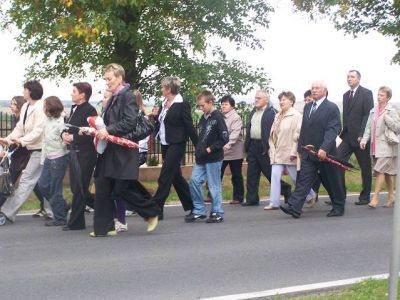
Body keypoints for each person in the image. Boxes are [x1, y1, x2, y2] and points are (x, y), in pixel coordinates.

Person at [92, 63, 160, 237]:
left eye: (110, 78)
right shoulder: (114, 97)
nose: (107, 82)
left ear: (120, 77)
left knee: (122, 189)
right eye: (105, 79)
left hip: (123, 152)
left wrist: (108, 130)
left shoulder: (127, 97)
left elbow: (129, 122)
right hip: (110, 150)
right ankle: (104, 228)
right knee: (102, 185)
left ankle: (151, 211)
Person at [280, 80, 346, 218]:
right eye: (312, 88)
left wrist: (324, 148)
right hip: (309, 152)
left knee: (331, 181)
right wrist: (300, 147)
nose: (314, 90)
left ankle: (339, 206)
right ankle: (294, 207)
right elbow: (305, 128)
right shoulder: (308, 106)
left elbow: (333, 129)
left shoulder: (331, 108)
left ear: (324, 91)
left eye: (317, 88)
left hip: (324, 153)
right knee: (303, 179)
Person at [0, 80, 46, 226]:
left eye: (25, 89)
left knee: (26, 181)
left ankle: (6, 212)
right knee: (44, 183)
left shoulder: (40, 108)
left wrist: (22, 141)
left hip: (41, 149)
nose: (23, 92)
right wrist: (8, 140)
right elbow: (20, 128)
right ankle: (57, 211)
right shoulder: (26, 106)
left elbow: (38, 131)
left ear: (31, 91)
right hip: (32, 149)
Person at [151, 76, 198, 219]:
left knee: (165, 176)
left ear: (169, 89)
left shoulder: (182, 104)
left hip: (177, 144)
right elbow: (162, 123)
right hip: (166, 143)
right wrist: (154, 116)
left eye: (162, 87)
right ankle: (194, 206)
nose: (161, 89)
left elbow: (189, 126)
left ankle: (155, 209)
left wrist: (199, 146)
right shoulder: (164, 102)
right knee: (176, 177)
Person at [242, 90, 291, 207]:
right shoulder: (253, 112)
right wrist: (247, 146)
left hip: (265, 146)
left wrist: (272, 147)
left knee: (269, 173)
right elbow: (249, 129)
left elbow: (277, 131)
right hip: (253, 145)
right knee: (251, 174)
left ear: (266, 100)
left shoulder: (272, 112)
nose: (256, 100)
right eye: (255, 98)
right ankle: (252, 199)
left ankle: (286, 189)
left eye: (259, 98)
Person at [185, 90, 228, 223]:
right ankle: (199, 210)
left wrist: (210, 149)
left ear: (210, 102)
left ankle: (217, 212)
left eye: (203, 105)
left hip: (213, 158)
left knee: (213, 186)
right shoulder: (204, 118)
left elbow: (225, 138)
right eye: (199, 106)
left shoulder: (218, 117)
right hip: (201, 158)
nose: (201, 108)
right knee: (194, 181)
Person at [266, 91, 314, 210]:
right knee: (275, 176)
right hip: (278, 152)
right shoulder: (277, 115)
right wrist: (271, 149)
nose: (281, 102)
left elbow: (297, 135)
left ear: (291, 102)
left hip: (290, 152)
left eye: (284, 100)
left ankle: (310, 195)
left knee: (295, 177)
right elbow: (272, 134)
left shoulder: (296, 116)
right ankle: (274, 202)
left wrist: (294, 152)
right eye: (280, 100)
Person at [62, 82, 97, 231]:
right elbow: (69, 128)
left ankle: (76, 222)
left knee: (80, 188)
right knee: (77, 188)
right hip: (74, 153)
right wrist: (63, 135)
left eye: (74, 91)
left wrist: (73, 138)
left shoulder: (90, 110)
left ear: (82, 95)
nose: (71, 93)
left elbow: (91, 134)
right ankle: (105, 207)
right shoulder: (74, 109)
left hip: (86, 155)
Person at [360, 86, 400, 208]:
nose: (379, 97)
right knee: (387, 173)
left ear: (387, 98)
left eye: (382, 95)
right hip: (375, 147)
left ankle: (375, 197)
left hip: (387, 147)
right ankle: (391, 196)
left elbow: (397, 128)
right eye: (378, 94)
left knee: (379, 170)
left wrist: (387, 119)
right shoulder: (373, 110)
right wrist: (364, 140)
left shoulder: (391, 110)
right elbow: (368, 127)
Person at [339, 70, 374, 205]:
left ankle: (365, 196)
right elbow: (346, 117)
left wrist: (362, 135)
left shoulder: (366, 93)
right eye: (348, 77)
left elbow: (368, 116)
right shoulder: (345, 95)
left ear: (359, 79)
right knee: (337, 164)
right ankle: (340, 195)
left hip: (361, 138)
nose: (349, 79)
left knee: (365, 168)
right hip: (347, 137)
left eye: (352, 77)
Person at [38, 96, 69, 226]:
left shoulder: (61, 121)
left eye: (45, 106)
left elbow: (63, 132)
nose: (43, 108)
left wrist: (64, 136)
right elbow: (44, 140)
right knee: (42, 185)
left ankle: (60, 218)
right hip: (48, 157)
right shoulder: (47, 120)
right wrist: (42, 159)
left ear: (50, 107)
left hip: (59, 157)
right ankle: (62, 206)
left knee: (55, 189)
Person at [219, 95, 245, 205]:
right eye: (222, 104)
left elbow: (234, 134)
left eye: (226, 104)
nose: (223, 106)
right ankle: (212, 195)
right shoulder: (219, 116)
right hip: (221, 151)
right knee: (216, 173)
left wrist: (227, 145)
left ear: (232, 106)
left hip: (235, 151)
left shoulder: (236, 117)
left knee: (236, 175)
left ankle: (238, 197)